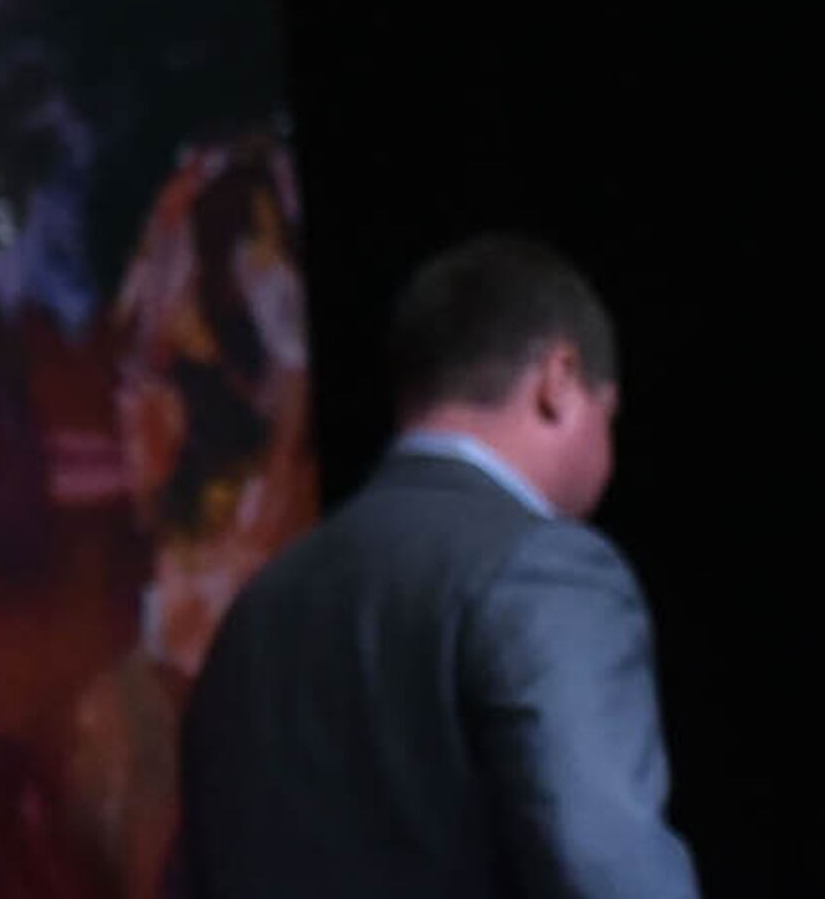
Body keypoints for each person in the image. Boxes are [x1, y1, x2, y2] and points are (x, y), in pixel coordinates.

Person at [177, 234, 700, 898]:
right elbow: (608, 870)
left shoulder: (255, 610)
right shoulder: (542, 569)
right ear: (559, 380)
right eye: (610, 415)